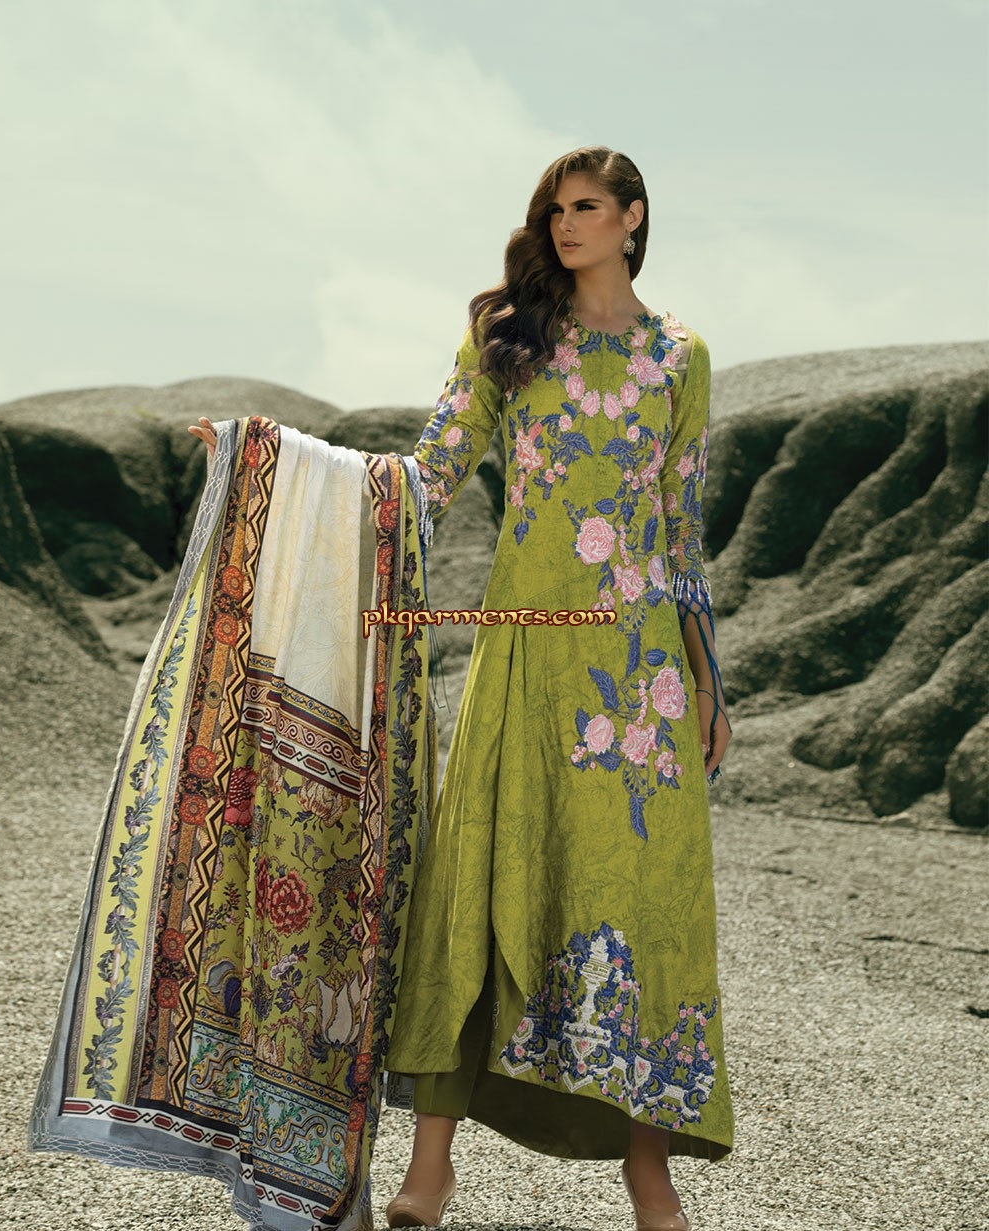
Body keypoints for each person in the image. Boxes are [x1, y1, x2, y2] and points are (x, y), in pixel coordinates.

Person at [191, 145, 733, 1231]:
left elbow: (679, 529)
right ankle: (430, 1169)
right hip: (526, 654)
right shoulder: (509, 337)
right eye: (554, 208)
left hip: (641, 689)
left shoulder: (681, 355)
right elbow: (428, 472)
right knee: (474, 890)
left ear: (632, 219)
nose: (566, 224)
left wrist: (708, 679)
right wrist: (274, 459)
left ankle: (651, 1177)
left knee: (651, 908)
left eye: (587, 207)